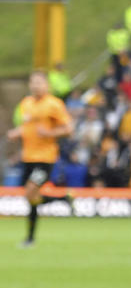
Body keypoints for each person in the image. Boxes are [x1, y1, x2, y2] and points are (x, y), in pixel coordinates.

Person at [6, 71, 74, 247]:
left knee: (30, 192)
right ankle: (31, 237)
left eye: (39, 82)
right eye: (33, 82)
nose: (36, 86)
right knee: (31, 197)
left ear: (47, 85)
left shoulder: (54, 104)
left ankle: (31, 236)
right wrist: (16, 132)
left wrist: (50, 133)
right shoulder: (25, 103)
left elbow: (68, 129)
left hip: (45, 158)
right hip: (28, 157)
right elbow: (26, 127)